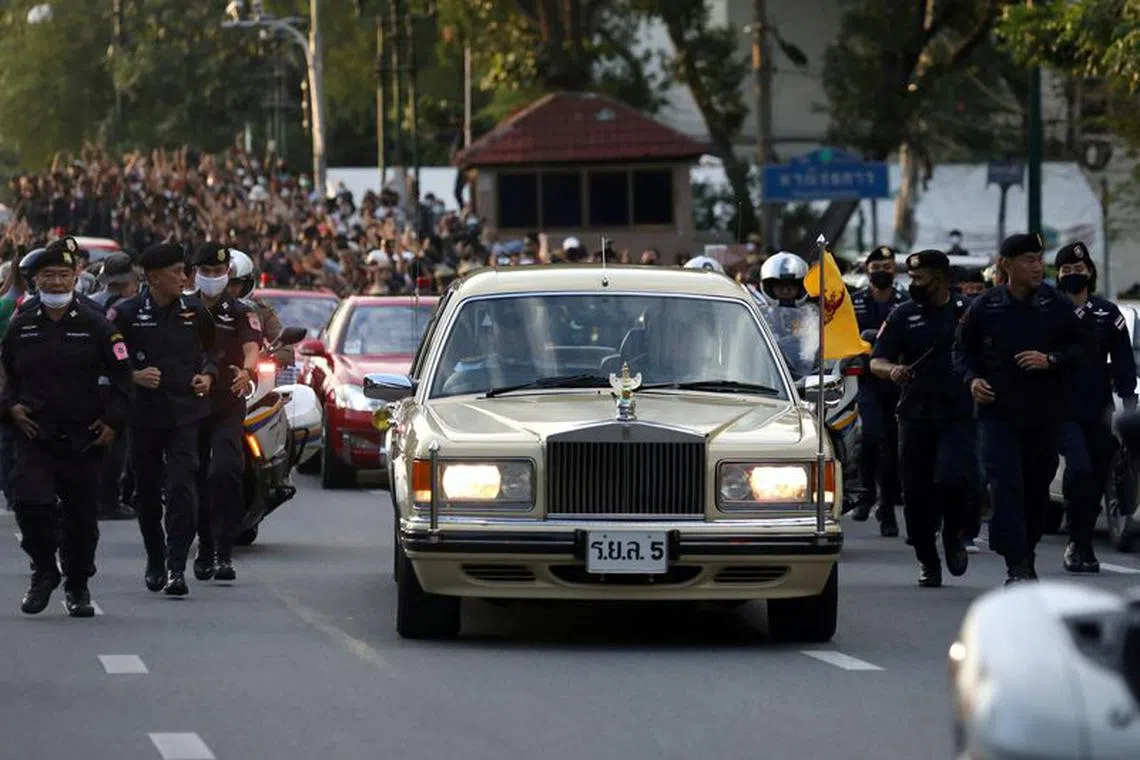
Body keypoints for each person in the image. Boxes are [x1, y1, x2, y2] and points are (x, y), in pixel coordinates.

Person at [0, 237, 132, 616]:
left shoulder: (96, 324)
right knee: (29, 504)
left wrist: (112, 423)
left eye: (62, 275)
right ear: (35, 280)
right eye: (47, 277)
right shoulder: (21, 326)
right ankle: (43, 570)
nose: (56, 283)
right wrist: (10, 408)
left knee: (81, 520)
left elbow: (123, 378)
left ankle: (78, 587)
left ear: (75, 276)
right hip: (35, 435)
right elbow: (7, 376)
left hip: (83, 437)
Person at [952, 233, 1094, 584]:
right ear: (1006, 265)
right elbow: (961, 351)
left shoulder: (1056, 304)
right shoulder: (986, 306)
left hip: (1043, 414)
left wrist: (1051, 359)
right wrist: (972, 380)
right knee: (1006, 484)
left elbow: (1084, 346)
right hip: (998, 414)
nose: (1036, 267)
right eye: (1028, 260)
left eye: (1038, 259)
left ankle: (1025, 553)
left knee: (1035, 487)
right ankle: (1017, 565)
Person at [111, 242, 217, 596]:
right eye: (176, 272)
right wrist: (134, 375)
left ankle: (175, 567)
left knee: (182, 487)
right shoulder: (125, 313)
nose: (183, 278)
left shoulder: (194, 311)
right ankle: (155, 558)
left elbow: (211, 353)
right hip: (144, 415)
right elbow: (111, 358)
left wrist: (209, 376)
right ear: (153, 278)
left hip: (186, 413)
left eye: (184, 271)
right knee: (146, 491)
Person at [871, 251, 975, 586]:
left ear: (941, 279)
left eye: (920, 278)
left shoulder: (967, 313)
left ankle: (953, 535)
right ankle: (927, 560)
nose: (913, 284)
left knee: (952, 479)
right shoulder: (904, 314)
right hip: (915, 415)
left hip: (957, 413)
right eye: (911, 278)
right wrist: (893, 370)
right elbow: (877, 361)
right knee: (915, 495)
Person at [1051, 241, 1137, 573]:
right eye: (1067, 270)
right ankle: (1075, 541)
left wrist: (1129, 402)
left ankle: (1084, 544)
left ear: (1090, 273)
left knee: (1097, 475)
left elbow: (1124, 362)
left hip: (1099, 407)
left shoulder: (1107, 313)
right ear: (1058, 275)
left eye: (1079, 269)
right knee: (1079, 471)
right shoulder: (1050, 310)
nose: (1074, 274)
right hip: (1061, 407)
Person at [188, 243, 261, 583]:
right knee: (194, 476)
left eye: (219, 273)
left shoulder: (242, 312)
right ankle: (203, 546)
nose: (213, 278)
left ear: (228, 275)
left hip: (227, 403)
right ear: (195, 274)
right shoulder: (182, 309)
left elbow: (251, 348)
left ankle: (224, 550)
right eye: (207, 272)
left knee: (227, 471)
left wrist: (248, 371)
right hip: (189, 405)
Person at [851, 246, 906, 536]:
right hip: (866, 383)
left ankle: (887, 507)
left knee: (894, 447)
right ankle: (866, 491)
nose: (882, 271)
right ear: (867, 269)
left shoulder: (904, 302)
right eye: (877, 266)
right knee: (872, 437)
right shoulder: (854, 302)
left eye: (888, 265)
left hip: (897, 383)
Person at [93, 251, 140, 521]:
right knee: (117, 442)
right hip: (118, 382)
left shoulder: (90, 303)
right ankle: (108, 500)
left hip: (93, 383)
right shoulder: (129, 308)